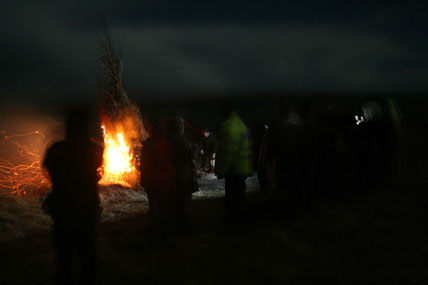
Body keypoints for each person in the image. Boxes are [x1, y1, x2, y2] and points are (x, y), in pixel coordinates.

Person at [42, 107, 103, 285]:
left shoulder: (56, 150)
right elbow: (97, 171)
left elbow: (47, 168)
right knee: (87, 254)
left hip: (63, 208)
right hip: (85, 208)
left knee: (64, 255)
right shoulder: (94, 149)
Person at [215, 105, 253, 225]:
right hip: (241, 167)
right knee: (239, 197)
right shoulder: (240, 124)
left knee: (234, 199)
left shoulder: (230, 127)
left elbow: (229, 152)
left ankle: (236, 223)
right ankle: (239, 222)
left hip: (234, 169)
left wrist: (222, 170)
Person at [140, 116, 176, 237]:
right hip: (164, 180)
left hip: (153, 181)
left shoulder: (148, 145)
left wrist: (144, 180)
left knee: (155, 206)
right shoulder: (166, 143)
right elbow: (171, 160)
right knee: (164, 206)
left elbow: (143, 165)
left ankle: (156, 230)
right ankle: (165, 231)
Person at [164, 116, 198, 229]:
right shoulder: (179, 140)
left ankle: (174, 225)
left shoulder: (166, 139)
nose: (182, 128)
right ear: (178, 127)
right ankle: (183, 226)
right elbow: (189, 154)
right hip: (182, 176)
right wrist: (194, 148)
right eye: (181, 125)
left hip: (173, 176)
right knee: (183, 203)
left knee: (175, 203)